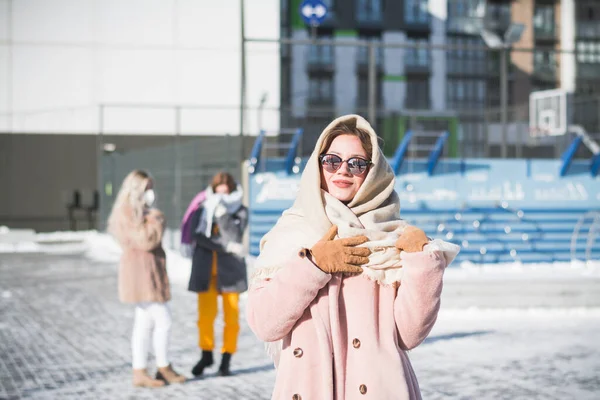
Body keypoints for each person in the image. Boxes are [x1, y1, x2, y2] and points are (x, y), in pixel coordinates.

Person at [246, 115, 459, 399]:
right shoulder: (290, 232)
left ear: (372, 174)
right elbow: (265, 323)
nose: (342, 170)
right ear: (317, 165)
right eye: (331, 160)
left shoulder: (392, 236)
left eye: (357, 163)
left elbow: (409, 335)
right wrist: (313, 265)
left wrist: (422, 261)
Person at [107, 170, 186, 387]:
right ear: (136, 189)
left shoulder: (140, 210)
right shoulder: (128, 211)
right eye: (146, 188)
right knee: (163, 319)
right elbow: (145, 240)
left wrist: (150, 216)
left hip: (146, 271)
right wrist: (156, 219)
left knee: (144, 322)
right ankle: (163, 367)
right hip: (140, 273)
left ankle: (141, 371)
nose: (151, 192)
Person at [188, 172, 248, 377]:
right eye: (218, 188)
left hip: (231, 272)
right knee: (205, 317)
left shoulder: (240, 211)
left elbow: (235, 235)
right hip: (205, 269)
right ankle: (206, 354)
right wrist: (227, 247)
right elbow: (197, 236)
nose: (221, 192)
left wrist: (222, 215)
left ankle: (226, 359)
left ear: (231, 189)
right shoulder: (203, 209)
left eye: (225, 188)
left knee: (231, 318)